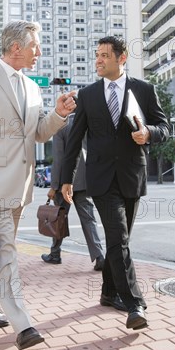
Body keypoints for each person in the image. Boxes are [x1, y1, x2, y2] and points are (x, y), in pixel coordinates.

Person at [0, 20, 76, 350]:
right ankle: (23, 325)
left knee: (0, 247)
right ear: (17, 47)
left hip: (21, 186)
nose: (39, 51)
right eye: (35, 45)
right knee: (6, 250)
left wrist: (59, 115)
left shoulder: (32, 88)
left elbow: (37, 133)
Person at [61, 36, 169, 330]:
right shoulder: (88, 95)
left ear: (122, 59)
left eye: (105, 55)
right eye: (97, 55)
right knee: (118, 238)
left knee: (118, 241)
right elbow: (73, 141)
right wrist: (66, 179)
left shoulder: (144, 90)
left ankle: (109, 292)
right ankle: (134, 304)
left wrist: (148, 133)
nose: (98, 60)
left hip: (132, 175)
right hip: (101, 179)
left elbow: (164, 127)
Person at [41, 113, 105, 270]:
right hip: (85, 180)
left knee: (59, 218)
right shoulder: (88, 124)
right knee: (89, 219)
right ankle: (99, 256)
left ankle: (55, 254)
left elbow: (59, 159)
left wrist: (54, 186)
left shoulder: (60, 126)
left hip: (64, 182)